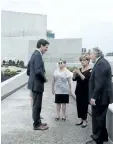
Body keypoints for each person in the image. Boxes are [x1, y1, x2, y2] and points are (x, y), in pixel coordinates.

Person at [86, 47, 113, 144]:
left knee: (98, 119)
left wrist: (93, 97)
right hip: (103, 96)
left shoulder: (101, 64)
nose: (89, 56)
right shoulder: (102, 62)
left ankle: (97, 140)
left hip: (100, 97)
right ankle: (103, 137)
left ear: (95, 54)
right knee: (101, 118)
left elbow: (99, 83)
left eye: (90, 54)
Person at [27, 39, 49, 130]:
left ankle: (38, 122)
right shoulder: (37, 55)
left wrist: (31, 78)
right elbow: (38, 71)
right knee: (37, 105)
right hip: (37, 85)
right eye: (46, 47)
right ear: (41, 46)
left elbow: (28, 68)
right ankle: (36, 125)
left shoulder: (34, 54)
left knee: (36, 104)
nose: (47, 49)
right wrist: (44, 78)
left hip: (34, 84)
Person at [72, 54, 91, 128]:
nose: (82, 62)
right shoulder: (79, 69)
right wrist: (74, 73)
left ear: (88, 61)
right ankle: (80, 119)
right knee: (79, 106)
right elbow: (74, 79)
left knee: (84, 106)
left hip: (85, 91)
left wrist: (79, 73)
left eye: (84, 60)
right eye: (81, 60)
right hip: (78, 90)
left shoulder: (90, 70)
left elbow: (86, 80)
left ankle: (85, 120)